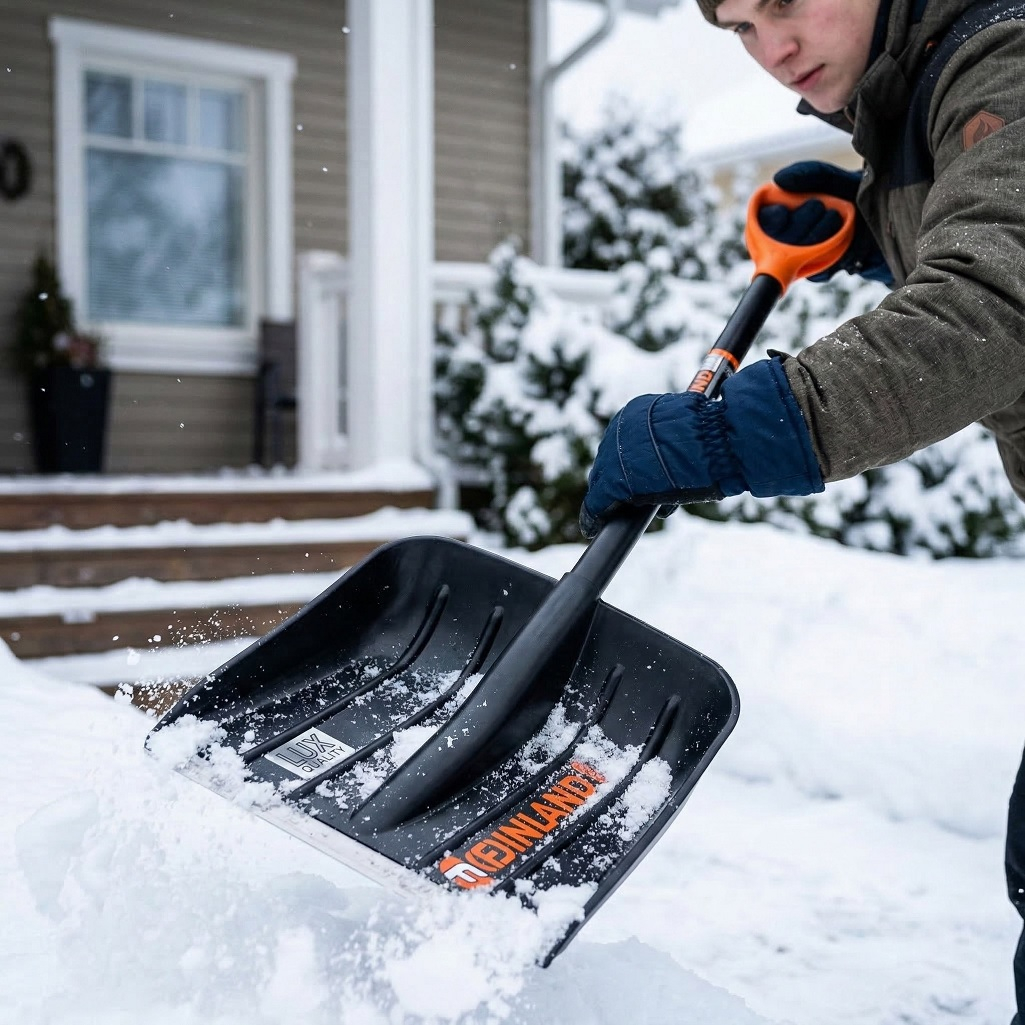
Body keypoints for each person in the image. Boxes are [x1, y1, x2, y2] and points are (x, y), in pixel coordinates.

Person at [578, 0, 1025, 1015]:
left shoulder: (1006, 52)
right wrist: (877, 225)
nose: (770, 49)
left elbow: (996, 304)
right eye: (738, 25)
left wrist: (741, 430)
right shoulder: (928, 87)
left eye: (783, 0)